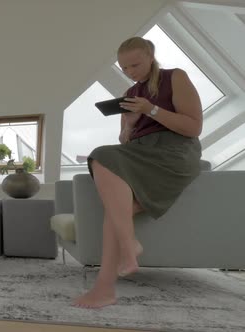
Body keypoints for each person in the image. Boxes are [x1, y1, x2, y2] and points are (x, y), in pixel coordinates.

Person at [72, 36, 203, 309]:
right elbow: (125, 142)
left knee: (102, 156)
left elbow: (193, 128)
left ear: (151, 56)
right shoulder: (130, 94)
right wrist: (130, 124)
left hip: (174, 152)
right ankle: (105, 287)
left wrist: (152, 109)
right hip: (139, 152)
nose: (131, 72)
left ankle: (125, 252)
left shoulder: (175, 77)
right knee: (115, 206)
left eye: (135, 64)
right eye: (125, 68)